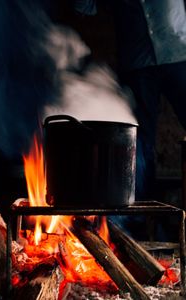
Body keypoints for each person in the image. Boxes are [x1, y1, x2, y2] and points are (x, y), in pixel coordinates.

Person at [74, 0, 186, 200]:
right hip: (137, 64)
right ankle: (144, 216)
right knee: (139, 145)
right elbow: (84, 6)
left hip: (180, 54)